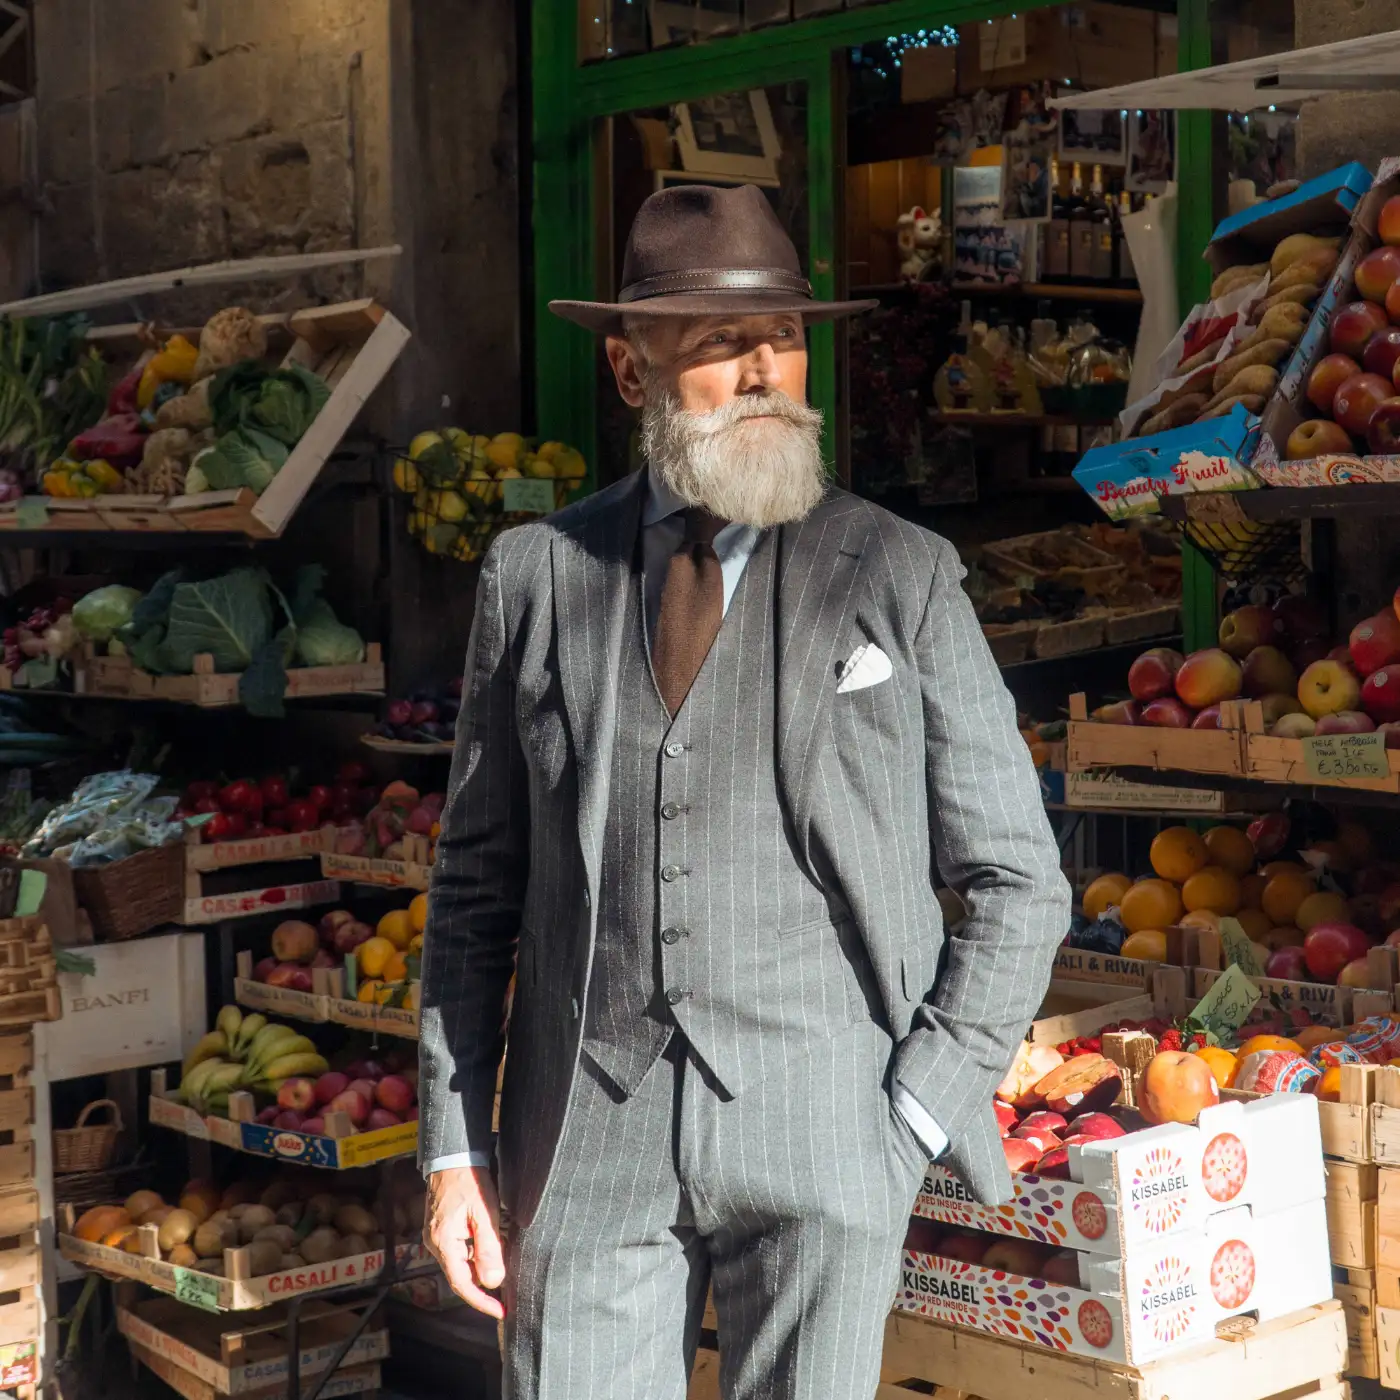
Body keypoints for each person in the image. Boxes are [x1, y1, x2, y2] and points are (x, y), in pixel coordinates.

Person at [418, 183, 1070, 1400]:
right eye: (721, 345)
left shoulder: (896, 571)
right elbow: (471, 888)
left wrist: (913, 1114)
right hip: (586, 1130)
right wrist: (454, 1146)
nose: (765, 368)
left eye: (783, 337)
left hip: (830, 1124)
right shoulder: (539, 575)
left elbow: (1016, 879)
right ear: (629, 370)